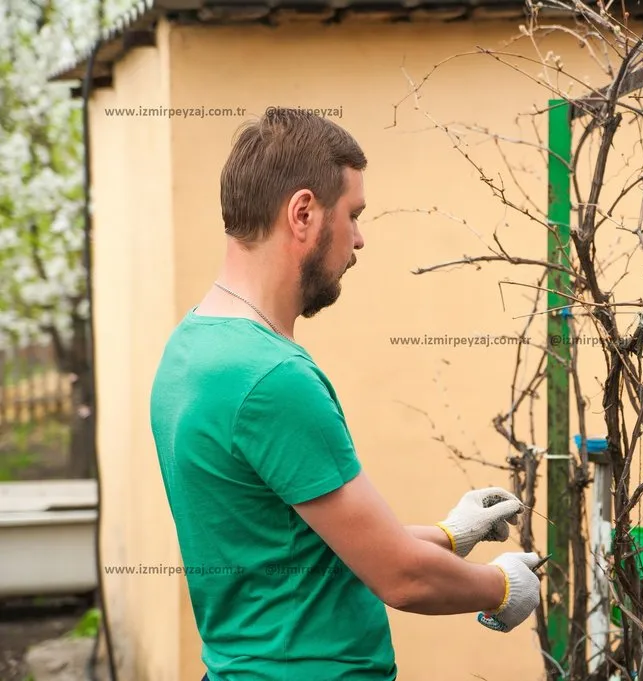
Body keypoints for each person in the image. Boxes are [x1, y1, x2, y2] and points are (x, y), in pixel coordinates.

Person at [149, 107, 543, 681]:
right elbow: (400, 578)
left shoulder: (190, 349)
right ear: (303, 213)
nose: (359, 240)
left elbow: (297, 543)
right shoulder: (271, 378)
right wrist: (503, 585)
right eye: (353, 215)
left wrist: (449, 535)